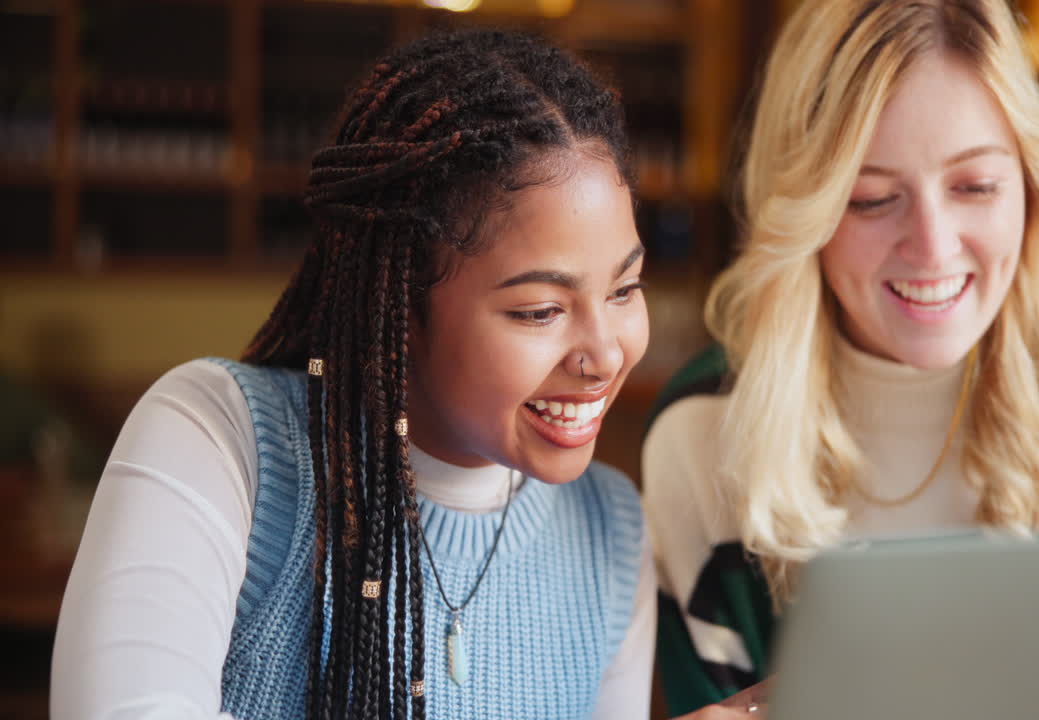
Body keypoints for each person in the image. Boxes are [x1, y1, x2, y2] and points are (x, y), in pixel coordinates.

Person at [641, 0, 1039, 716]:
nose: (934, 245)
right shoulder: (703, 437)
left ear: (1032, 192)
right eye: (872, 198)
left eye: (974, 186)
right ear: (803, 210)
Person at [52, 28, 673, 720]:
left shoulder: (611, 529)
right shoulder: (220, 441)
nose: (607, 354)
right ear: (398, 300)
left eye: (624, 289)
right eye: (539, 311)